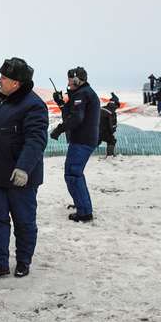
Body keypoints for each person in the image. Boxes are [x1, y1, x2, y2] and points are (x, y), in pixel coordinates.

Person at [0, 57, 48, 278]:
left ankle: (23, 261)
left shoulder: (34, 105)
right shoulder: (0, 101)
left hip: (20, 178)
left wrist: (24, 168)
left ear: (16, 83)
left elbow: (36, 140)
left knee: (24, 222)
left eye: (3, 78)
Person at [50, 66, 100, 222]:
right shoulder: (81, 94)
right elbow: (71, 114)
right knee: (75, 173)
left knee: (73, 174)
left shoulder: (82, 94)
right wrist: (61, 103)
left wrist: (59, 129)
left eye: (71, 80)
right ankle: (82, 204)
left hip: (82, 140)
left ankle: (84, 212)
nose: (69, 83)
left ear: (78, 79)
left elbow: (76, 119)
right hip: (82, 140)